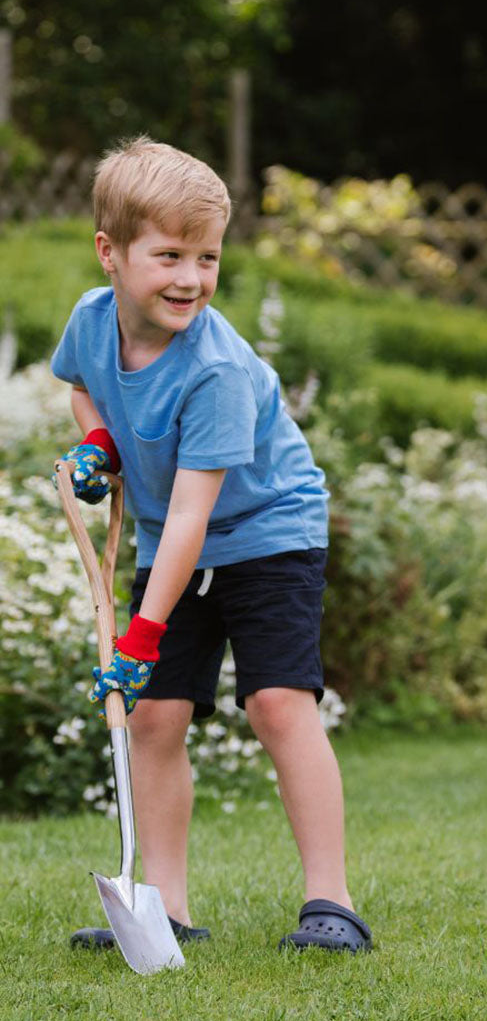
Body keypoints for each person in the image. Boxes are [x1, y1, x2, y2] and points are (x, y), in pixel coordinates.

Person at [53, 137, 371, 953]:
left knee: (276, 704)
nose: (190, 278)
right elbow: (85, 389)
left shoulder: (217, 369)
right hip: (173, 541)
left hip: (268, 535)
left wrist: (143, 633)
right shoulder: (91, 324)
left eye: (208, 257)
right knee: (155, 718)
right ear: (110, 254)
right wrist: (99, 449)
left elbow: (197, 513)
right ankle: (164, 908)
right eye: (168, 256)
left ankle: (330, 903)